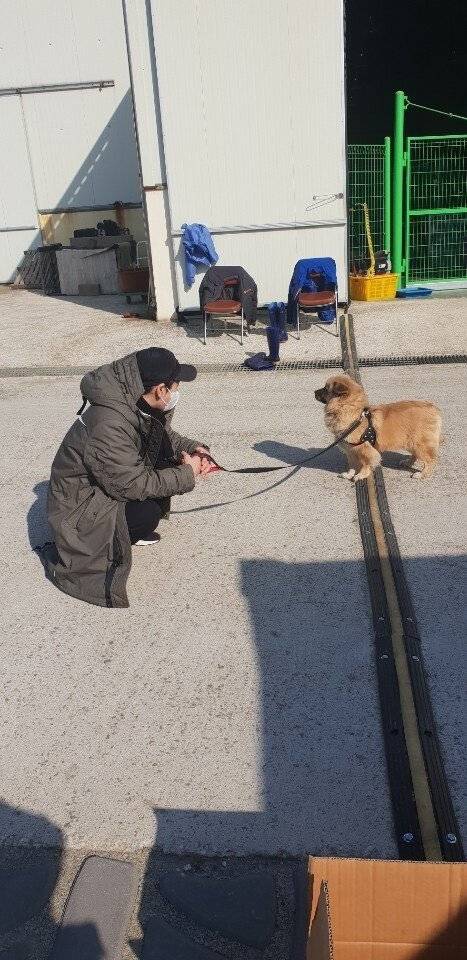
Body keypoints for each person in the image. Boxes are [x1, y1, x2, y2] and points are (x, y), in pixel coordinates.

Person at [44, 348, 214, 609]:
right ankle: (113, 540)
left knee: (164, 462)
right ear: (160, 390)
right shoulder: (109, 424)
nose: (177, 392)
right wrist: (187, 473)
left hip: (102, 484)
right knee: (146, 513)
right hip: (76, 514)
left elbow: (163, 435)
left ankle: (125, 531)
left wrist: (194, 449)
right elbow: (132, 485)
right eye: (176, 387)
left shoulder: (136, 400)